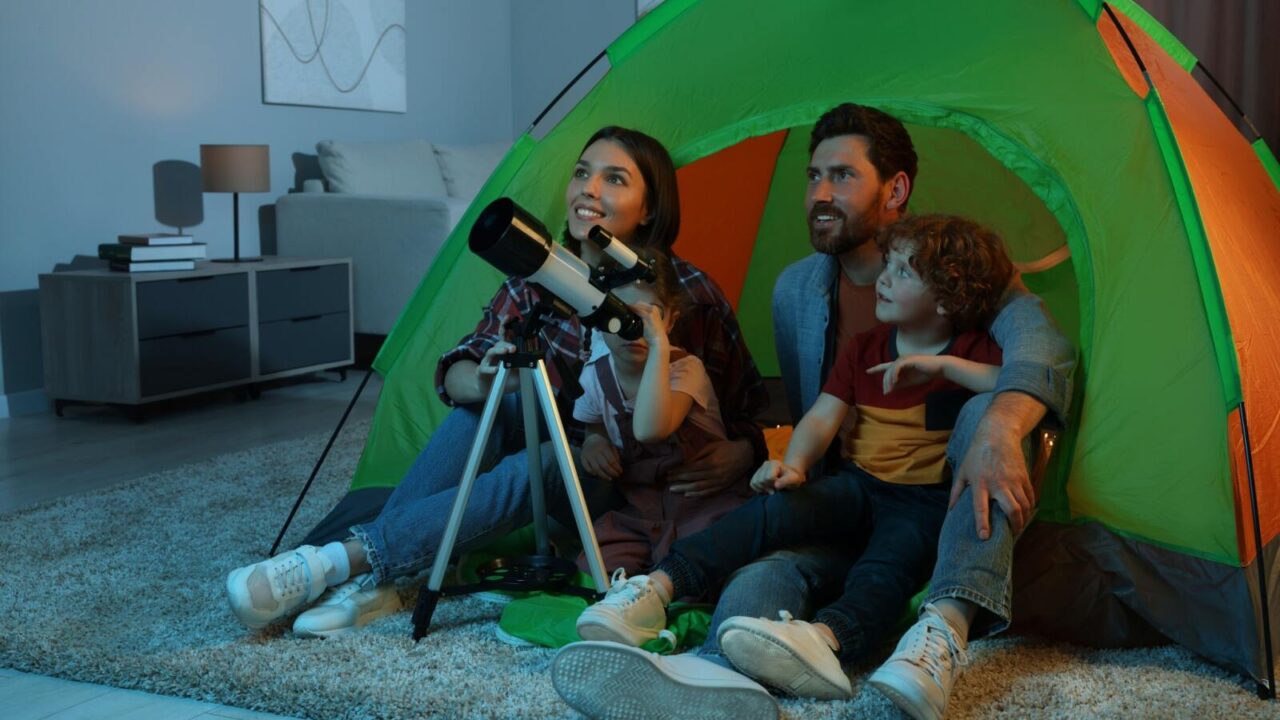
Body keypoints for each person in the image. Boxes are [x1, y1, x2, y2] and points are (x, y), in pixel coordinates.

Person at [551, 104, 1076, 720]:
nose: (820, 194)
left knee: (979, 414)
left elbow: (1043, 346)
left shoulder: (958, 276)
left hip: (932, 508)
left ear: (895, 189)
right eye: (812, 176)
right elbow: (815, 412)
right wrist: (784, 464)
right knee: (748, 599)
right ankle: (710, 676)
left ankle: (922, 630)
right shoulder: (798, 290)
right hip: (841, 499)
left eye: (843, 176)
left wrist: (1000, 423)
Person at [223, 126, 769, 636]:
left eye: (614, 179)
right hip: (562, 456)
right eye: (582, 173)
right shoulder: (537, 280)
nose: (588, 189)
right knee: (493, 409)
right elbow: (458, 372)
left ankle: (347, 559)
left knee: (554, 460)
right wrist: (487, 382)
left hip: (626, 489)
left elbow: (752, 404)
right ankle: (384, 578)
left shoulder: (686, 296)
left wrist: (744, 451)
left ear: (650, 209)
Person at [557, 214, 1009, 710]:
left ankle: (826, 640)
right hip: (857, 485)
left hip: (922, 503)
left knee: (888, 567)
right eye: (889, 264)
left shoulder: (971, 350)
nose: (882, 278)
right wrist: (793, 465)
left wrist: (943, 366)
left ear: (946, 299)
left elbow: (1012, 381)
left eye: (903, 272)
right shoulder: (864, 349)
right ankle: (655, 589)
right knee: (769, 512)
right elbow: (821, 418)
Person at [574, 247, 751, 577]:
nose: (632, 329)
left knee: (708, 563)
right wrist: (594, 442)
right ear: (598, 317)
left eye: (648, 317)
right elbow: (593, 424)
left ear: (671, 320)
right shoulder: (595, 376)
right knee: (593, 567)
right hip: (643, 512)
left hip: (704, 504)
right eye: (620, 314)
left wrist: (658, 346)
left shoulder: (686, 370)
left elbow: (651, 429)